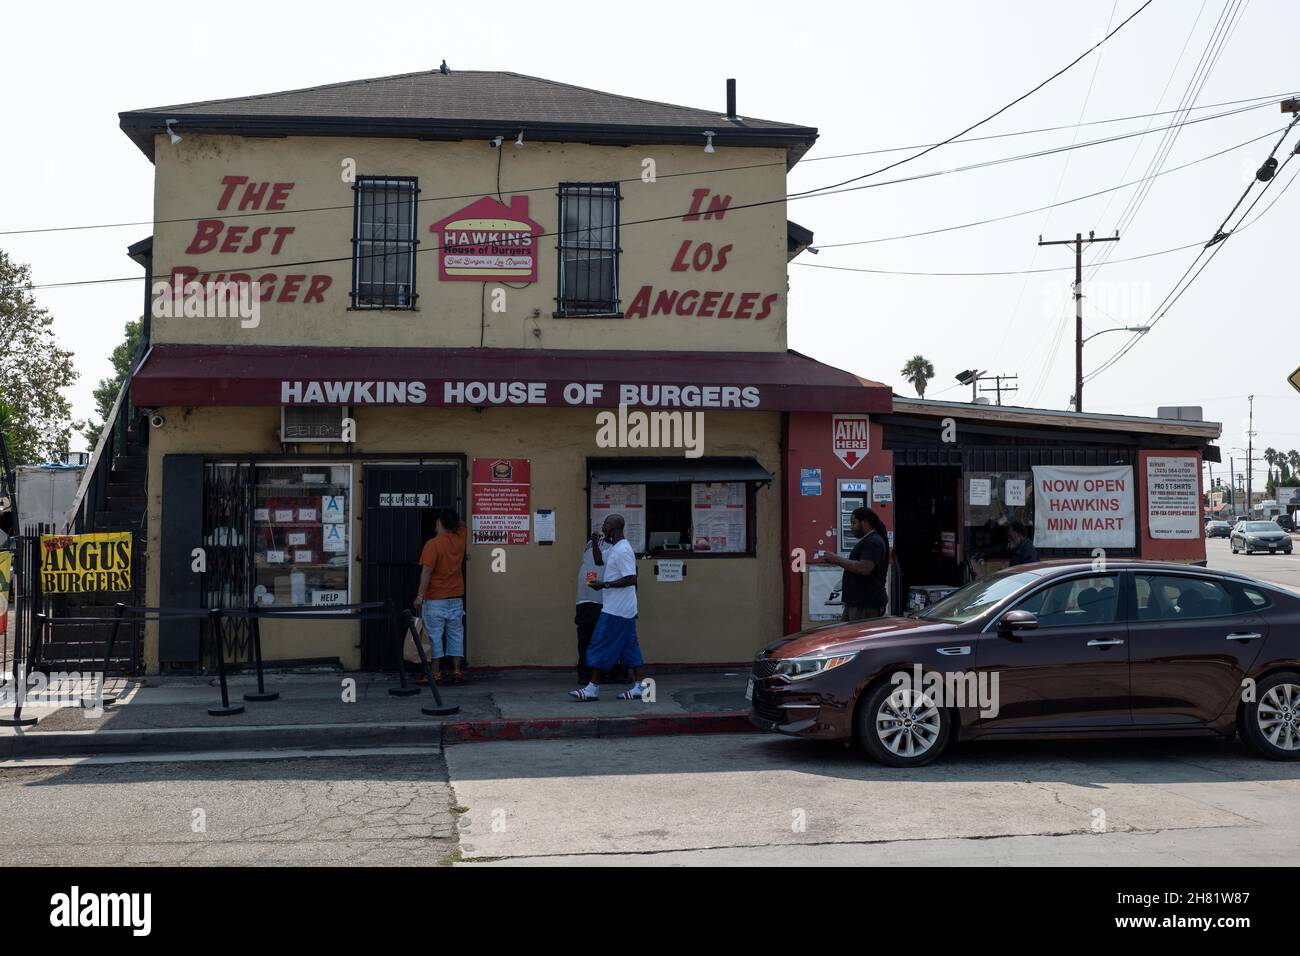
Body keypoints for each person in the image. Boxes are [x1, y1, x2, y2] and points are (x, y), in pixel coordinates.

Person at [569, 513, 647, 702]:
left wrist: (604, 585)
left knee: (600, 643)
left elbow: (631, 578)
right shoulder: (614, 549)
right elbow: (598, 561)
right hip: (624, 609)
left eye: (605, 525)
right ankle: (640, 686)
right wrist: (595, 543)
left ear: (614, 528)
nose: (602, 528)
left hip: (616, 609)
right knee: (630, 647)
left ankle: (592, 688)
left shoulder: (623, 550)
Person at [414, 509, 468, 684]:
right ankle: (457, 671)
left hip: (436, 598)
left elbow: (427, 571)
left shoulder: (433, 544)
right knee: (456, 634)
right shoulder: (460, 540)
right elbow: (463, 525)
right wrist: (452, 519)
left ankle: (435, 674)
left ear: (439, 523)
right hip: (456, 597)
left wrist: (420, 596)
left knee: (434, 636)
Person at [817, 507, 889, 622]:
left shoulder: (873, 541)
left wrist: (836, 559)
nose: (851, 526)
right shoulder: (869, 540)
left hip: (865, 606)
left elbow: (864, 568)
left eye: (854, 523)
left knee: (858, 639)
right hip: (857, 604)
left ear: (865, 522)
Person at [574, 529, 612, 685]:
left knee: (585, 640)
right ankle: (603, 674)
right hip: (600, 602)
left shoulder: (590, 545)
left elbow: (590, 574)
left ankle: (584, 674)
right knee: (602, 639)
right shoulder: (613, 549)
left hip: (583, 601)